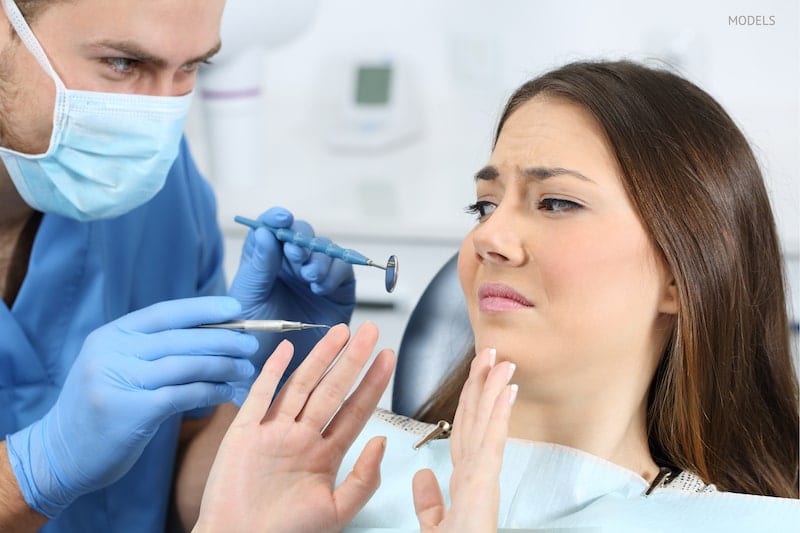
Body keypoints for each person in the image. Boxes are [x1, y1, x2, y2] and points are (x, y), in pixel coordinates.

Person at [190, 60, 800, 531]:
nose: (488, 236)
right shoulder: (329, 469)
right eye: (483, 205)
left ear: (680, 273)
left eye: (556, 202)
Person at [0, 1, 356, 531]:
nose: (158, 114)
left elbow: (186, 487)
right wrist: (32, 472)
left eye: (192, 67)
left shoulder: (157, 183)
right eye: (123, 64)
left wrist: (265, 384)